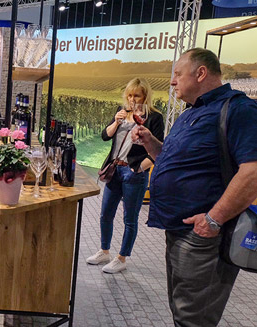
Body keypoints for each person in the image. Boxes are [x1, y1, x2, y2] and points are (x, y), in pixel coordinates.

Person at [133, 48, 257, 327]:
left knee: (194, 319)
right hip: (180, 229)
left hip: (205, 235)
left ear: (201, 73)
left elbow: (253, 172)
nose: (173, 81)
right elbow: (171, 159)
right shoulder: (190, 114)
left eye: (177, 74)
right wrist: (150, 142)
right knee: (182, 311)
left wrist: (213, 220)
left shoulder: (238, 109)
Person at [86, 78, 164, 273]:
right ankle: (105, 251)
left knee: (130, 218)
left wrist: (139, 168)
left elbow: (158, 149)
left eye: (136, 95)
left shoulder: (154, 117)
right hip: (114, 170)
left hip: (133, 173)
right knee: (106, 214)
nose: (131, 99)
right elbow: (105, 136)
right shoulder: (121, 113)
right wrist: (116, 122)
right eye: (129, 94)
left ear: (145, 96)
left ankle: (122, 258)